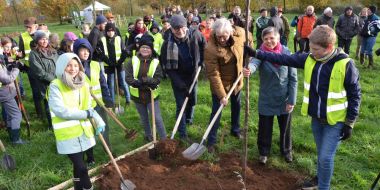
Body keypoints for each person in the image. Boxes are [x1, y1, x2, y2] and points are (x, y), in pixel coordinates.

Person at [245, 25, 361, 190]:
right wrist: (256, 53)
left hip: (335, 122)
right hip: (317, 119)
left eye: (314, 49)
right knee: (321, 156)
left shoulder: (346, 64)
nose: (311, 52)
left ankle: (323, 187)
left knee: (326, 158)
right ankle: (318, 180)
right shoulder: (310, 58)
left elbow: (355, 95)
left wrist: (350, 122)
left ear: (328, 47)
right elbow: (283, 59)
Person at [47, 53, 105, 190]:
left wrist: (99, 120)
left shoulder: (83, 83)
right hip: (68, 134)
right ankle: (88, 188)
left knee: (78, 167)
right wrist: (85, 114)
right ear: (62, 67)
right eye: (68, 65)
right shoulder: (55, 86)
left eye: (75, 65)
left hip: (84, 132)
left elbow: (89, 107)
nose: (72, 68)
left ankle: (77, 186)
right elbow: (60, 110)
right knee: (82, 167)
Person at [243, 27, 297, 164]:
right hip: (267, 97)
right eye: (265, 39)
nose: (269, 41)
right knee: (264, 126)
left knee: (285, 126)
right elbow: (255, 63)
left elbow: (293, 79)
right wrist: (249, 69)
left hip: (284, 97)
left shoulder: (287, 53)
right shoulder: (260, 53)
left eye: (272, 38)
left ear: (278, 38)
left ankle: (286, 150)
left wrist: (291, 99)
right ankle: (263, 152)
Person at [204, 18, 253, 153]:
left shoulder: (241, 33)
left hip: (237, 81)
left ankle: (235, 129)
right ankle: (211, 141)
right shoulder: (210, 49)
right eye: (218, 36)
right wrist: (222, 95)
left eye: (224, 36)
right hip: (221, 85)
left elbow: (249, 39)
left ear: (230, 32)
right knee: (216, 112)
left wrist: (249, 59)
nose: (221, 39)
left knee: (237, 106)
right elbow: (214, 74)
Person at [160, 15, 206, 142]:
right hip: (178, 77)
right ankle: (183, 133)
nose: (179, 31)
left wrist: (202, 61)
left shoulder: (195, 35)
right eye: (176, 29)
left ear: (186, 26)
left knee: (192, 100)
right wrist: (180, 84)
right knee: (181, 105)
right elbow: (168, 68)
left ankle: (189, 120)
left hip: (193, 74)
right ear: (171, 29)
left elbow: (204, 46)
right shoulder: (167, 44)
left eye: (181, 28)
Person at [73, 38, 114, 164]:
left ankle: (108, 150)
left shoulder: (95, 65)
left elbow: (103, 84)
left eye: (87, 51)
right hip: (85, 107)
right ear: (76, 52)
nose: (85, 53)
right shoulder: (74, 68)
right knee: (88, 131)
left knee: (104, 127)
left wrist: (109, 102)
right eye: (82, 50)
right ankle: (90, 157)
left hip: (99, 104)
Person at [125, 35, 167, 141]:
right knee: (144, 118)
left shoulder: (156, 62)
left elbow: (158, 79)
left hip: (151, 95)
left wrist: (146, 80)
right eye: (143, 47)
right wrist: (137, 83)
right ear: (139, 49)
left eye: (148, 48)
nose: (145, 49)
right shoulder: (132, 61)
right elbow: (128, 77)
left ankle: (164, 139)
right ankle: (149, 136)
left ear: (151, 50)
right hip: (137, 95)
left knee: (156, 118)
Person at [29, 30, 58, 129]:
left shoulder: (52, 51)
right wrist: (53, 80)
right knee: (49, 104)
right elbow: (39, 72)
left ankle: (60, 122)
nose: (45, 41)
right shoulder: (34, 54)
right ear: (37, 41)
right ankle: (52, 125)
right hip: (45, 83)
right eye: (42, 39)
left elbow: (59, 64)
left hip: (58, 81)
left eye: (46, 39)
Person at [0, 38, 26, 144]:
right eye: (3, 47)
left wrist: (11, 67)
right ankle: (16, 140)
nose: (5, 50)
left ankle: (12, 136)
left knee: (11, 115)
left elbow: (4, 73)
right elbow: (6, 79)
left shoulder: (1, 60)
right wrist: (15, 69)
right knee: (16, 115)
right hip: (5, 92)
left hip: (7, 92)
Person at [99, 22, 131, 105]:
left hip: (119, 64)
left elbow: (124, 51)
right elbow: (102, 54)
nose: (110, 32)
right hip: (109, 66)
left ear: (114, 31)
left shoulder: (119, 39)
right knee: (111, 85)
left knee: (123, 82)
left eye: (112, 31)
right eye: (108, 31)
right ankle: (112, 102)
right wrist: (109, 62)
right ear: (106, 31)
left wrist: (120, 61)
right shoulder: (102, 40)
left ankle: (128, 99)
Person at [18, 17, 43, 118]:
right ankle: (40, 114)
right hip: (31, 68)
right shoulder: (22, 36)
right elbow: (22, 53)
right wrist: (19, 55)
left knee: (46, 90)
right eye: (26, 27)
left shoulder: (42, 34)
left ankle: (49, 110)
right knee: (36, 91)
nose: (27, 29)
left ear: (36, 26)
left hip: (43, 67)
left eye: (29, 27)